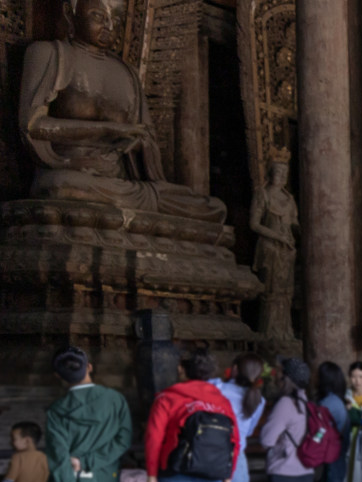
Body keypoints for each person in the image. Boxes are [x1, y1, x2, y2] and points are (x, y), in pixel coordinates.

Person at [18, 0, 226, 222]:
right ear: (71, 14)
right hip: (70, 172)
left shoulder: (127, 74)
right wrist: (108, 129)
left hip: (123, 183)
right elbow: (33, 126)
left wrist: (139, 141)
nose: (109, 26)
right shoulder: (48, 53)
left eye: (116, 20)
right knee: (58, 186)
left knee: (213, 208)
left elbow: (146, 145)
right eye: (98, 17)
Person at [145, 349, 239, 482]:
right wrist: (228, 476)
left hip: (175, 477)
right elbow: (234, 440)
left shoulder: (167, 399)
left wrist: (151, 476)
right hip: (212, 479)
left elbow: (153, 438)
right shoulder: (222, 403)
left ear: (182, 369)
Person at [46, 346, 132, 482]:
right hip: (104, 481)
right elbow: (123, 440)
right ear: (89, 367)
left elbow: (59, 456)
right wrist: (87, 462)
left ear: (58, 376)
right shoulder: (115, 399)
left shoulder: (56, 410)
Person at [210, 353, 267, 482]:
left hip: (208, 457)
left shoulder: (217, 387)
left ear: (234, 369)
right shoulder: (259, 400)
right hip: (237, 461)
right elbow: (248, 432)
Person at [259, 356, 314, 482]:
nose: (275, 376)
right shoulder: (306, 401)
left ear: (287, 378)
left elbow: (266, 439)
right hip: (306, 473)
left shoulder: (285, 404)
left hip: (285, 474)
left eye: (279, 372)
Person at [249, 150, 300, 342]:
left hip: (287, 248)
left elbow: (294, 223)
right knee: (271, 290)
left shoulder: (289, 199)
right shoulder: (262, 194)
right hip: (270, 247)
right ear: (270, 174)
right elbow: (254, 224)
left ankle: (285, 331)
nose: (282, 177)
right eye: (278, 173)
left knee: (286, 292)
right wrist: (277, 236)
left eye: (285, 174)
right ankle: (269, 332)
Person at [315, 361, 351, 482]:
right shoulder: (338, 401)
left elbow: (318, 432)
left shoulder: (328, 404)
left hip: (331, 462)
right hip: (337, 460)